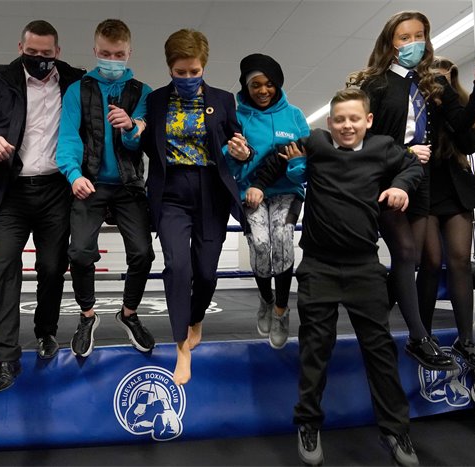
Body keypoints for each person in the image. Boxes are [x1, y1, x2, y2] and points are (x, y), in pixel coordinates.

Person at [347, 10, 475, 372]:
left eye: (419, 36)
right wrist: (402, 152)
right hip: (390, 178)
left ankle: (429, 338)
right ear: (390, 43)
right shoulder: (375, 84)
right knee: (412, 257)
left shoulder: (433, 84)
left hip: (424, 182)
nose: (413, 44)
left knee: (427, 257)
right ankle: (417, 335)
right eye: (404, 37)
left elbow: (462, 127)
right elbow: (362, 139)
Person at [284, 88, 422, 466]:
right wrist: (255, 179)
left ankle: (396, 431)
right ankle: (308, 423)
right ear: (330, 123)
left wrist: (399, 185)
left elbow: (413, 166)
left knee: (379, 350)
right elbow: (275, 154)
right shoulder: (315, 143)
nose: (347, 125)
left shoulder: (383, 148)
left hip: (364, 266)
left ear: (368, 121)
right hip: (319, 265)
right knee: (315, 348)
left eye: (354, 119)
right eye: (340, 119)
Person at [0, 20, 85, 393]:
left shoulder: (76, 82)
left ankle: (46, 331)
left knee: (51, 266)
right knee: (3, 268)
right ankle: (4, 359)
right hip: (9, 191)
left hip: (55, 191)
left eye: (46, 54)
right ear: (20, 47)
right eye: (32, 53)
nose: (39, 59)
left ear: (57, 52)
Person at [141, 29, 249, 386]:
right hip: (170, 190)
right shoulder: (155, 101)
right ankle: (181, 350)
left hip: (210, 190)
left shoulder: (223, 99)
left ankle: (196, 316)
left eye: (194, 71)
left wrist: (241, 152)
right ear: (170, 68)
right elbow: (143, 143)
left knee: (205, 272)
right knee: (177, 266)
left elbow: (238, 142)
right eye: (180, 72)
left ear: (204, 66)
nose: (187, 78)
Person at [57, 19, 155, 358]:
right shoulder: (77, 90)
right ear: (95, 51)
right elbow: (68, 136)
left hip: (128, 184)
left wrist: (130, 127)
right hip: (90, 182)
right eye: (105, 53)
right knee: (80, 252)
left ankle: (128, 314)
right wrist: (73, 175)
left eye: (118, 54)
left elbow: (138, 141)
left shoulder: (142, 92)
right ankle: (87, 317)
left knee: (143, 253)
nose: (111, 59)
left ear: (129, 53)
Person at [226, 53, 309, 349]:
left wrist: (297, 167)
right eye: (256, 85)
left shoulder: (295, 115)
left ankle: (281, 311)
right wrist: (237, 159)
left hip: (287, 191)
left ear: (278, 84)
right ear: (246, 87)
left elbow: (303, 159)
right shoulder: (237, 117)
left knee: (282, 238)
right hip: (251, 192)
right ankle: (265, 299)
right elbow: (229, 165)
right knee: (261, 243)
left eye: (269, 84)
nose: (263, 91)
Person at [416, 56, 475, 377]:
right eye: (433, 75)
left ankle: (465, 340)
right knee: (432, 262)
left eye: (444, 76)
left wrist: (450, 99)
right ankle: (423, 336)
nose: (439, 80)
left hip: (455, 190)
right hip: (423, 189)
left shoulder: (459, 105)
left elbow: (469, 141)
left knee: (460, 259)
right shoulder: (415, 107)